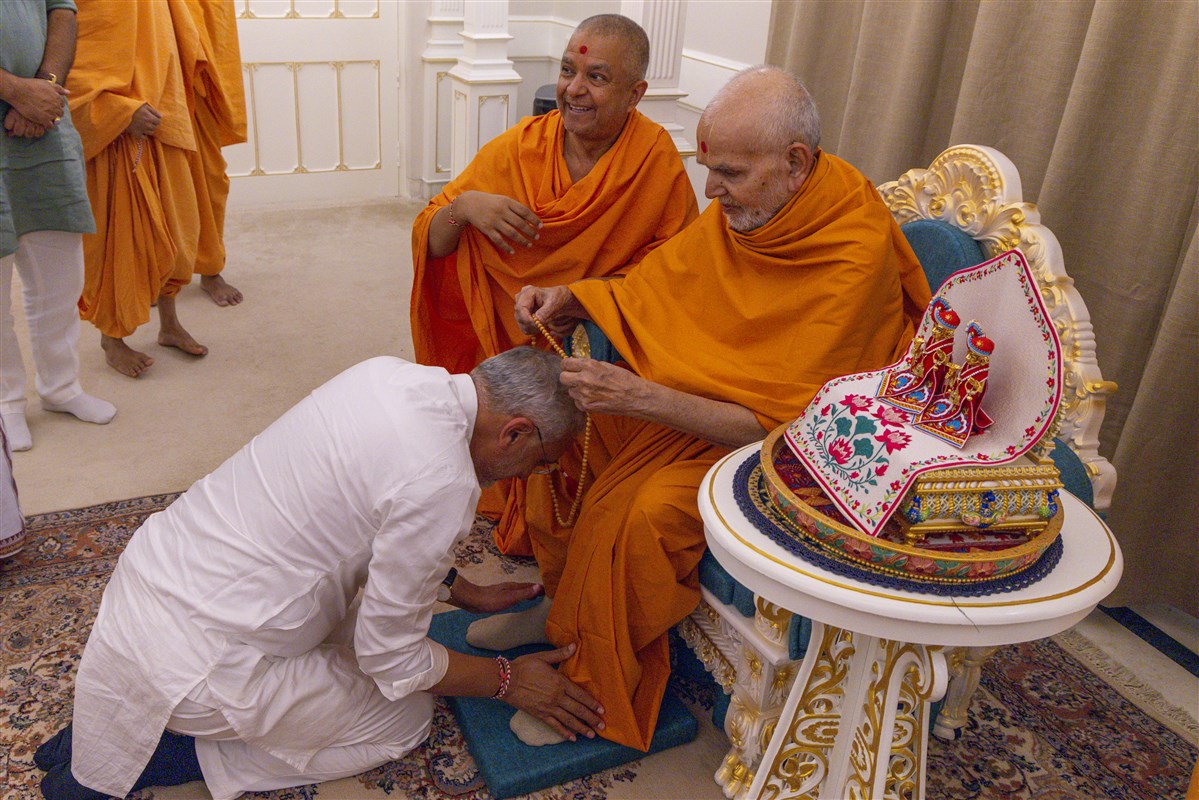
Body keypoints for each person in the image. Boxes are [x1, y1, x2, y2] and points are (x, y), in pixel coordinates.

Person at [481, 66, 933, 750]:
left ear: (795, 163)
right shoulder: (754, 208)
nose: (710, 190)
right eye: (706, 169)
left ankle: (592, 684)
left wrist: (642, 397)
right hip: (695, 403)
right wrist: (575, 295)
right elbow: (663, 284)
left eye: (726, 173)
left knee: (642, 511)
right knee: (567, 429)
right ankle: (559, 606)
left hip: (779, 452)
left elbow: (787, 426)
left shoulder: (849, 255)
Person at [35, 347, 605, 800]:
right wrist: (508, 680)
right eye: (540, 461)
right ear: (515, 432)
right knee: (404, 718)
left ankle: (124, 726)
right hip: (200, 662)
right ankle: (173, 752)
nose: (528, 476)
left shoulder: (388, 375)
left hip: (150, 585)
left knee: (364, 629)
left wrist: (462, 590)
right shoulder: (443, 482)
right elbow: (394, 662)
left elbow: (369, 518)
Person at [410, 13, 698, 556]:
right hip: (508, 335)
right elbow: (433, 242)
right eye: (568, 70)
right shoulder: (521, 148)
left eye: (597, 77)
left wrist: (586, 299)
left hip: (598, 335)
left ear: (636, 93)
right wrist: (465, 207)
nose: (573, 89)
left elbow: (675, 277)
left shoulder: (654, 162)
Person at [67, 0, 207, 378]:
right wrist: (117, 110)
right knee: (120, 238)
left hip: (163, 110)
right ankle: (111, 340)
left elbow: (168, 39)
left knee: (175, 231)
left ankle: (170, 325)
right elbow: (69, 55)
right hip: (113, 129)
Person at [0, 0, 116, 451]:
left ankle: (61, 387)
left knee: (60, 277)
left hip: (42, 124)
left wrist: (43, 91)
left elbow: (62, 11)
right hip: (27, 104)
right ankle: (7, 401)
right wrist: (16, 91)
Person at [176, 0, 247, 307]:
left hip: (198, 73)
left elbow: (217, 23)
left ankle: (210, 269)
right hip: (148, 70)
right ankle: (157, 273)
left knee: (209, 179)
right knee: (150, 182)